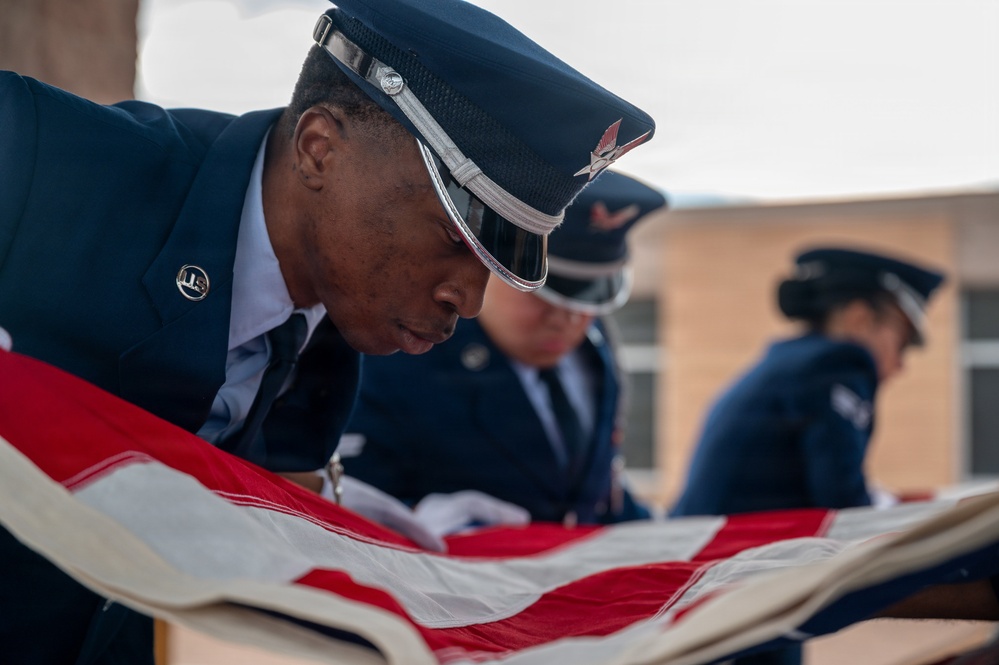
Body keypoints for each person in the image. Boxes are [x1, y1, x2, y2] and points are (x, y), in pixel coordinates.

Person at [0, 0, 656, 662]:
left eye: (488, 263)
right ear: (321, 148)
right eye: (453, 238)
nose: (468, 297)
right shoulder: (36, 157)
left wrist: (322, 525)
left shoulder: (332, 331)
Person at [341, 170, 667, 527]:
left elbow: (598, 489)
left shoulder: (595, 352)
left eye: (586, 300)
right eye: (544, 292)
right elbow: (354, 505)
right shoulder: (398, 360)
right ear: (487, 264)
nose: (569, 318)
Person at [670, 246, 946, 665]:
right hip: (745, 596)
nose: (901, 364)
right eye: (902, 341)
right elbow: (842, 500)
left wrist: (893, 501)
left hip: (715, 585)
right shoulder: (839, 365)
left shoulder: (791, 362)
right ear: (859, 317)